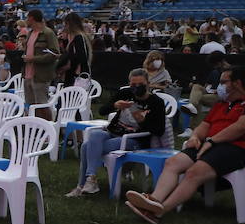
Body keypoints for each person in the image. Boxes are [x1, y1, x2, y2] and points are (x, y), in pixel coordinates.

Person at [127, 66, 245, 224]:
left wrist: (211, 141)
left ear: (237, 83)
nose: (219, 86)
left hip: (237, 149)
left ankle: (159, 210)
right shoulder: (221, 104)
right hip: (209, 145)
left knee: (194, 173)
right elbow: (205, 126)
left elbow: (241, 127)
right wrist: (195, 136)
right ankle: (153, 200)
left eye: (223, 82)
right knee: (172, 162)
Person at [66, 69, 168, 197]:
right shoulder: (125, 93)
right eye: (133, 85)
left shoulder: (156, 102)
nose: (136, 88)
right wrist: (115, 105)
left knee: (87, 147)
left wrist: (142, 120)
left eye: (140, 84)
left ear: (148, 83)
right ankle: (89, 179)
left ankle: (83, 185)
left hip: (135, 139)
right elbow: (102, 111)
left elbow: (159, 130)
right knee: (94, 136)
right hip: (115, 131)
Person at [21, 9, 59, 116]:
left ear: (32, 18)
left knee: (42, 105)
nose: (26, 20)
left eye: (27, 18)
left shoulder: (48, 33)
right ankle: (36, 129)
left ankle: (50, 127)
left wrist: (33, 59)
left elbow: (54, 54)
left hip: (40, 76)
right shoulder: (30, 34)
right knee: (31, 106)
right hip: (28, 75)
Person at [56, 12, 91, 85]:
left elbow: (82, 57)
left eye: (66, 25)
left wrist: (67, 62)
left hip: (77, 74)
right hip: (72, 73)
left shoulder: (79, 37)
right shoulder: (73, 38)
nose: (65, 27)